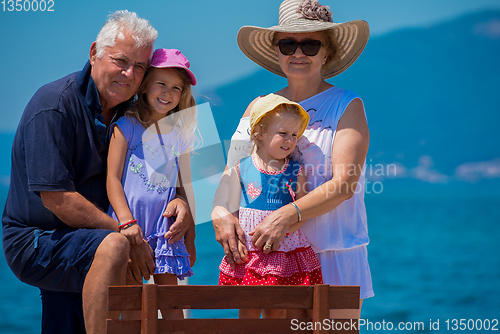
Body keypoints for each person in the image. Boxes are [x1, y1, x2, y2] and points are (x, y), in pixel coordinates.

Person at [2, 11, 192, 334]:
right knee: (117, 248)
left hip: (87, 237)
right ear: (94, 54)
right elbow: (57, 199)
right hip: (35, 239)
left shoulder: (131, 113)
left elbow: (164, 176)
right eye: (121, 61)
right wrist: (127, 230)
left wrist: (183, 203)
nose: (129, 73)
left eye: (140, 66)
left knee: (81, 304)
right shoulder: (54, 105)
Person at [212, 0, 373, 318]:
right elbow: (234, 174)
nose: (298, 53)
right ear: (277, 52)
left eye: (310, 44)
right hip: (269, 257)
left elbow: (344, 184)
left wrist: (287, 216)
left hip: (335, 252)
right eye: (288, 44)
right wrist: (220, 211)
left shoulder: (347, 105)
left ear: (327, 53)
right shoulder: (257, 106)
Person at [107, 48, 198, 319]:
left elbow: (185, 189)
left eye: (176, 88)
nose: (168, 93)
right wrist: (126, 222)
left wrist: (190, 240)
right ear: (145, 85)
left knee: (172, 308)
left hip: (165, 232)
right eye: (161, 84)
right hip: (129, 230)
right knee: (131, 308)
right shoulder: (126, 126)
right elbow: (112, 179)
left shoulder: (182, 136)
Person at [218, 94, 323, 319]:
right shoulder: (241, 167)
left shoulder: (296, 170)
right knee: (248, 309)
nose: (290, 140)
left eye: (294, 135)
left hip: (282, 251)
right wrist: (237, 237)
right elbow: (232, 208)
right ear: (260, 133)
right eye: (283, 133)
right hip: (250, 252)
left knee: (278, 310)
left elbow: (301, 209)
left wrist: (286, 232)